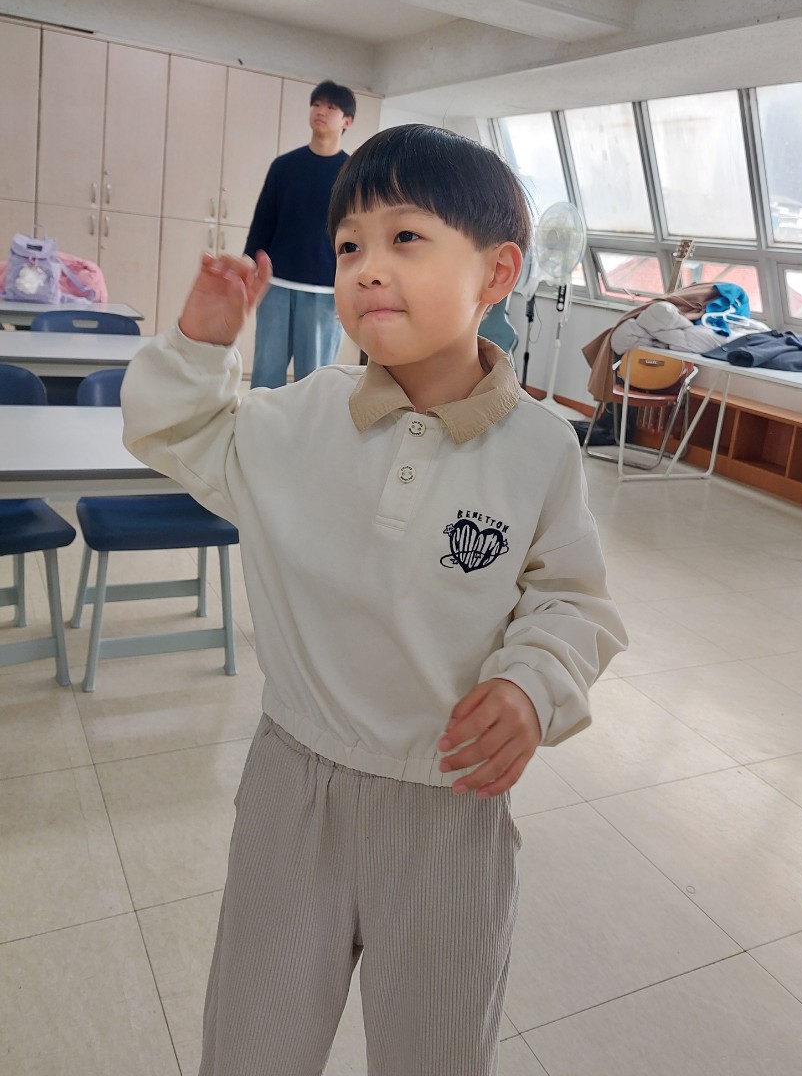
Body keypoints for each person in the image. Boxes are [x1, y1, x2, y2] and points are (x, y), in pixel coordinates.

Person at [121, 124, 627, 1076]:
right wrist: (201, 340)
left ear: (497, 272)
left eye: (405, 238)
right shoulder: (298, 419)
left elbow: (571, 601)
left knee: (436, 1046)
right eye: (349, 245)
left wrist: (531, 686)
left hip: (450, 804)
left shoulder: (540, 449)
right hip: (294, 782)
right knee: (254, 1039)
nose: (366, 267)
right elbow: (174, 430)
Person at [243, 78, 356, 387]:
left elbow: (357, 238)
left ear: (347, 121)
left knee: (314, 377)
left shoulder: (352, 175)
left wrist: (350, 290)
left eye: (331, 107)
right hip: (276, 283)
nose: (320, 111)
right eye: (316, 104)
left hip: (324, 291)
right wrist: (249, 267)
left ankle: (308, 423)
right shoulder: (284, 166)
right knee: (266, 373)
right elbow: (263, 220)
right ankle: (261, 419)